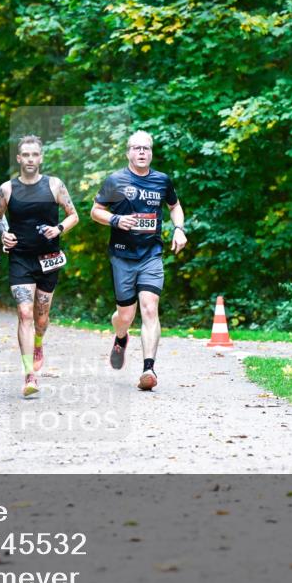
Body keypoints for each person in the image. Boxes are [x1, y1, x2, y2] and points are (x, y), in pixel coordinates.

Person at [90, 130, 187, 391]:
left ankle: (148, 369)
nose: (142, 152)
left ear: (151, 153)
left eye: (146, 148)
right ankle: (121, 337)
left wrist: (179, 229)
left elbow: (175, 206)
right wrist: (116, 220)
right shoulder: (116, 180)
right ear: (128, 153)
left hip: (151, 255)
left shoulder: (162, 180)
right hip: (122, 255)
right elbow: (95, 211)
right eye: (137, 148)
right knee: (125, 315)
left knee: (150, 308)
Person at [0, 135, 79, 397]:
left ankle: (38, 341)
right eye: (26, 155)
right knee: (25, 314)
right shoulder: (7, 189)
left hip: (48, 259)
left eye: (34, 155)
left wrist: (58, 228)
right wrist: (4, 234)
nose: (30, 159)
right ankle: (29, 373)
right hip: (20, 258)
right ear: (19, 158)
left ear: (40, 158)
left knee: (40, 319)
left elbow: (73, 215)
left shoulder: (54, 185)